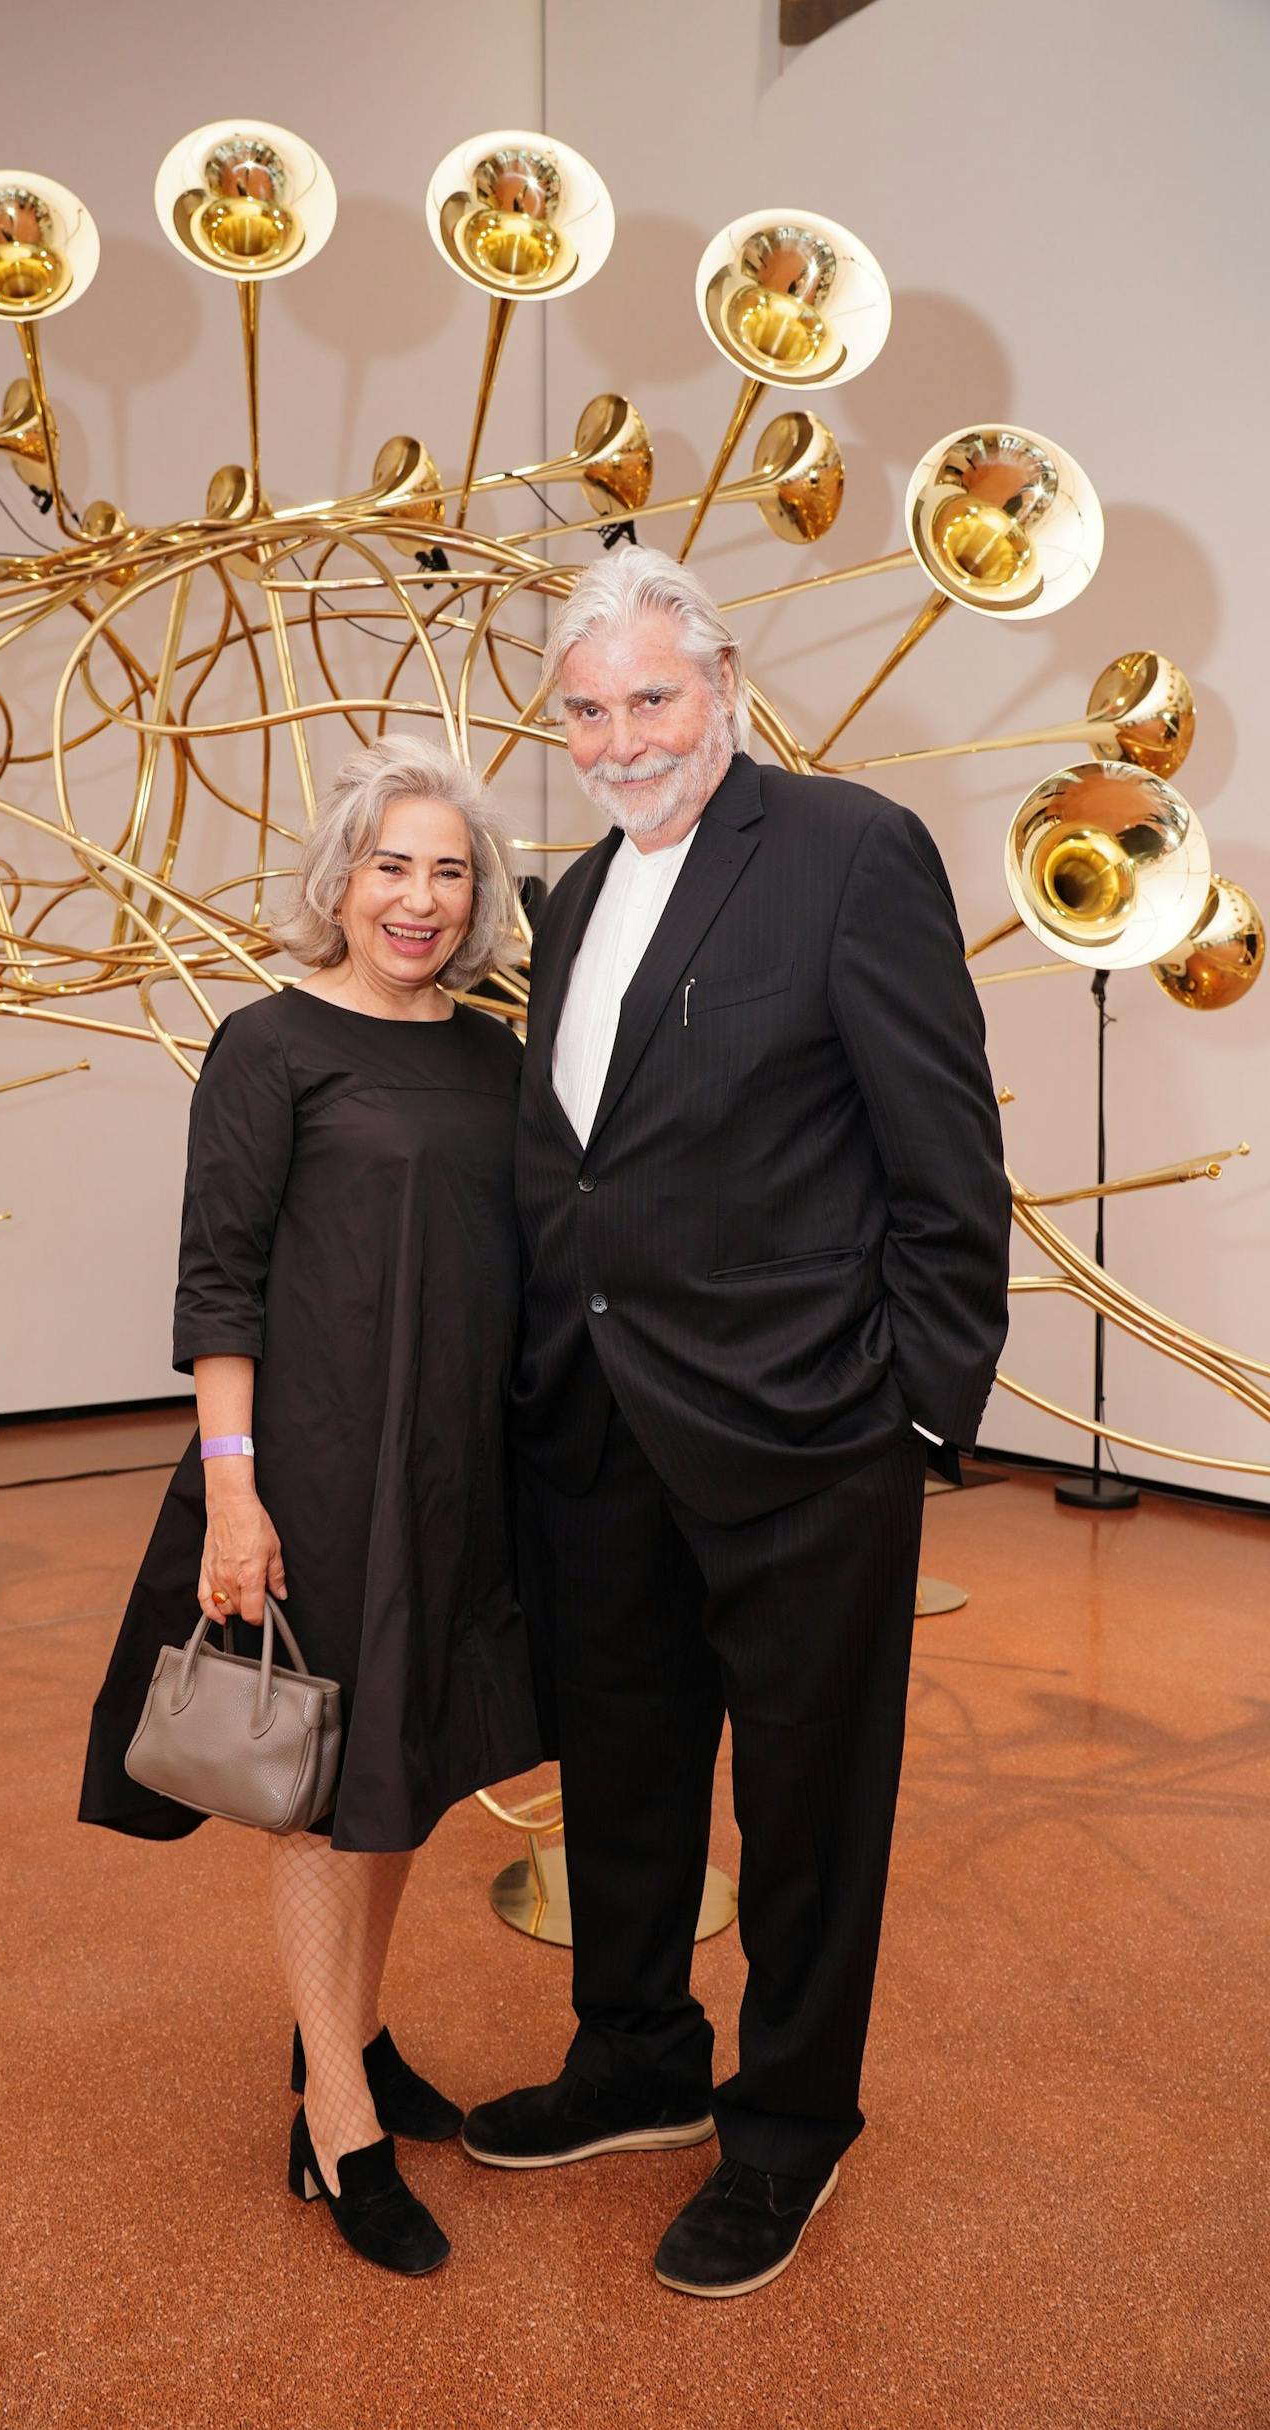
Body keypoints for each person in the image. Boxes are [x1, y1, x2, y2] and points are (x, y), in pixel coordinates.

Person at [461, 546, 1012, 2299]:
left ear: (724, 690)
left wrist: (915, 1420)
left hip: (807, 1439)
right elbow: (582, 1164)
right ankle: (634, 2054)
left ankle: (788, 2131)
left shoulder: (850, 853)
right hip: (603, 1431)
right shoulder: (565, 900)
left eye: (654, 699)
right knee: (620, 1772)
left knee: (806, 1801)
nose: (623, 740)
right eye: (590, 710)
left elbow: (948, 1163)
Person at [80, 734, 541, 2278]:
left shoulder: (493, 1053)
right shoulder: (270, 1044)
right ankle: (333, 2123)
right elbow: (218, 1280)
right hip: (318, 1469)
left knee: (401, 1761)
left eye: (450, 870)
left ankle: (353, 2029)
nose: (419, 897)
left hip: (458, 1468)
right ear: (340, 879)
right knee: (321, 1781)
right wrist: (233, 1494)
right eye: (392, 864)